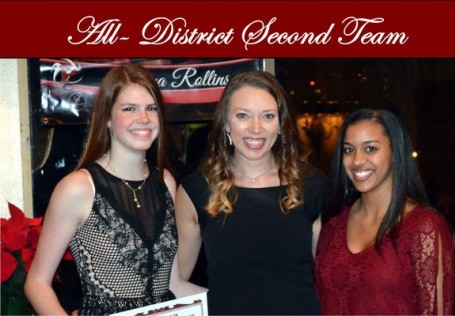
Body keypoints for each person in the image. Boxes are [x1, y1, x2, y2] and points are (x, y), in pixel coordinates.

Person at [24, 64, 205, 315]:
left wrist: (239, 301)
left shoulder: (166, 182)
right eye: (129, 109)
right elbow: (37, 283)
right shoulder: (78, 188)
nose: (143, 118)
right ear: (107, 118)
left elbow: (173, 284)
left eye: (151, 109)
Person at [175, 70, 327, 315]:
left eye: (267, 116)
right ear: (226, 123)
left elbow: (331, 278)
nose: (256, 128)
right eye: (243, 115)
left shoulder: (312, 187)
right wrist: (221, 302)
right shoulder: (196, 190)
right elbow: (176, 281)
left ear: (280, 125)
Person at [315, 107, 455, 315]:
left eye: (370, 148)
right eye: (349, 150)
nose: (357, 160)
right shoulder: (333, 225)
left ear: (395, 152)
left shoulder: (424, 227)